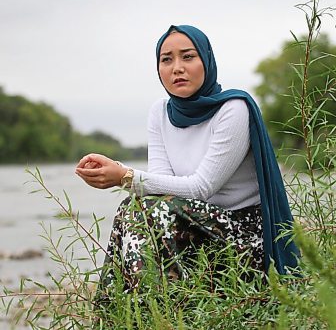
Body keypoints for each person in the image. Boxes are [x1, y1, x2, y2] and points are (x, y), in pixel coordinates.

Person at [75, 25, 299, 292]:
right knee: (135, 206)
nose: (177, 68)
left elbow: (201, 188)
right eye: (167, 59)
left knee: (142, 208)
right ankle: (138, 309)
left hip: (242, 234)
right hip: (190, 226)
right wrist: (119, 174)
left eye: (188, 57)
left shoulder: (233, 109)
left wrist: (123, 176)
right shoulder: (160, 112)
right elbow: (161, 187)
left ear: (206, 61)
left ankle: (147, 306)